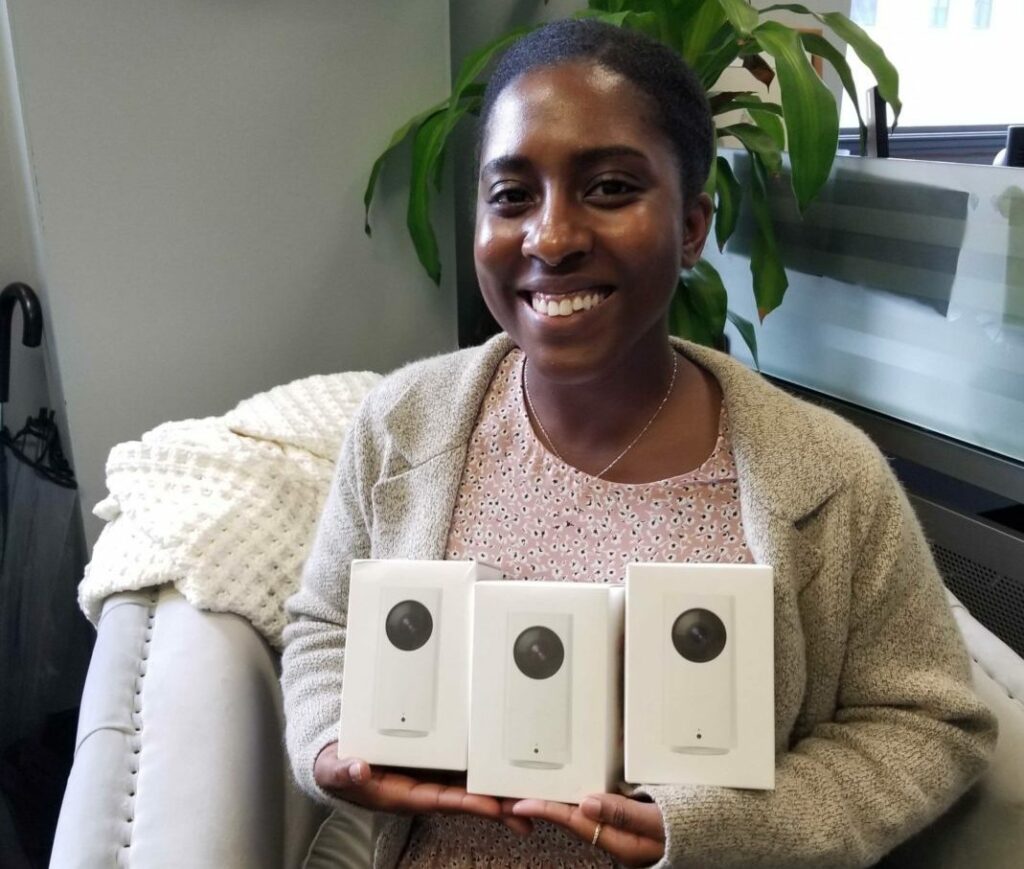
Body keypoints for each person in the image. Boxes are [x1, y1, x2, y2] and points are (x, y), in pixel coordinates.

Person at [281, 19, 996, 869]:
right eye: (511, 196)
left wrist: (726, 826)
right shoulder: (404, 426)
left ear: (691, 226)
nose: (551, 237)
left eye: (610, 188)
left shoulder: (826, 476)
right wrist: (332, 742)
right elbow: (326, 624)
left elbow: (928, 721)